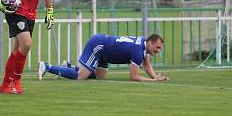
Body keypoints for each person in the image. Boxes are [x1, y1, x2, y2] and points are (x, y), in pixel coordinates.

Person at [38, 34, 169, 82]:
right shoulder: (137, 50)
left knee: (100, 76)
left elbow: (146, 65)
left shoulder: (143, 43)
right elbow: (134, 77)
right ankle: (47, 67)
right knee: (80, 77)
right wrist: (152, 81)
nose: (158, 51)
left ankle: (68, 67)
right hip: (99, 45)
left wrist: (155, 78)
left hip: (105, 52)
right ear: (150, 43)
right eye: (157, 47)